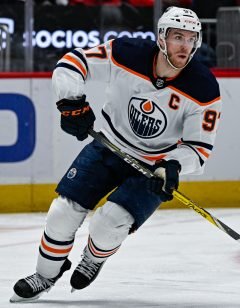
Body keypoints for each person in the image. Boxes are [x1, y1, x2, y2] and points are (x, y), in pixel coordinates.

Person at [10, 6, 222, 302]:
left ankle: (94, 258)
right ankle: (45, 274)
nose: (185, 46)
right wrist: (70, 102)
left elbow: (198, 150)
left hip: (151, 168)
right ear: (161, 37)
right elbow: (72, 63)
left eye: (191, 38)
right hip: (108, 145)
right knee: (62, 213)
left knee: (108, 224)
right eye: (178, 37)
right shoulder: (127, 52)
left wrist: (172, 166)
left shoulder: (203, 88)